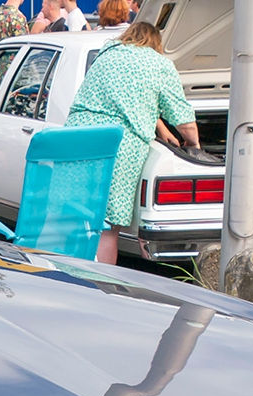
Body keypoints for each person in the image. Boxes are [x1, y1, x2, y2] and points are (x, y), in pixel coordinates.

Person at [65, 21, 198, 262]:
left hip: (78, 137)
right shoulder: (159, 64)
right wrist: (195, 146)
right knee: (106, 227)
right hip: (118, 144)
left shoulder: (108, 54)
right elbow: (184, 120)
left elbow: (119, 97)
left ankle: (69, 275)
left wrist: (158, 125)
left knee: (78, 217)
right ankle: (101, 285)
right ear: (156, 43)